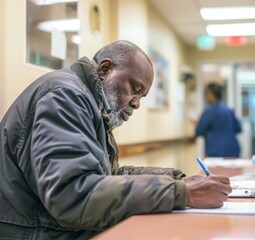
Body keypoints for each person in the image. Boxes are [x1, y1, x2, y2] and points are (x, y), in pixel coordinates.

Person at [0, 40, 231, 239]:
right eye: (135, 88)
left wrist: (176, 179)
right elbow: (72, 194)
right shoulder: (65, 96)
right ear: (105, 69)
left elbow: (106, 177)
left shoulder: (91, 103)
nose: (137, 103)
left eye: (142, 96)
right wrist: (180, 193)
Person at [195, 82, 242, 158]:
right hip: (233, 150)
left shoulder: (209, 111)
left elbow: (199, 131)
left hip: (216, 153)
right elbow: (239, 128)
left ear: (211, 94)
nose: (206, 97)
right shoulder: (228, 110)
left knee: (216, 170)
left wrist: (198, 122)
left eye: (206, 94)